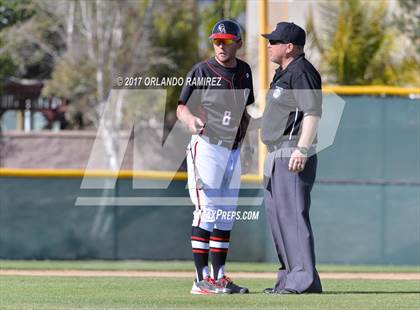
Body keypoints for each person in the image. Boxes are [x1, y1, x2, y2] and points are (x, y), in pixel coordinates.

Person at [176, 19, 255, 295]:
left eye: (227, 41)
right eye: (217, 41)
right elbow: (182, 107)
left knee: (225, 215)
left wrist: (248, 146)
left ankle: (218, 276)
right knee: (206, 212)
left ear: (238, 43)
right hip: (207, 146)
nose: (221, 46)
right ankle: (200, 280)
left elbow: (244, 111)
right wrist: (190, 122)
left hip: (233, 149)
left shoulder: (244, 71)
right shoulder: (202, 70)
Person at [260, 22, 323, 294]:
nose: (269, 45)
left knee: (293, 218)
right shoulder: (282, 73)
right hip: (275, 153)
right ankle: (287, 279)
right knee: (278, 220)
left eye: (274, 41)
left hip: (291, 151)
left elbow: (312, 112)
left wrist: (302, 149)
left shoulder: (302, 72)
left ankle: (303, 281)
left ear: (290, 47)